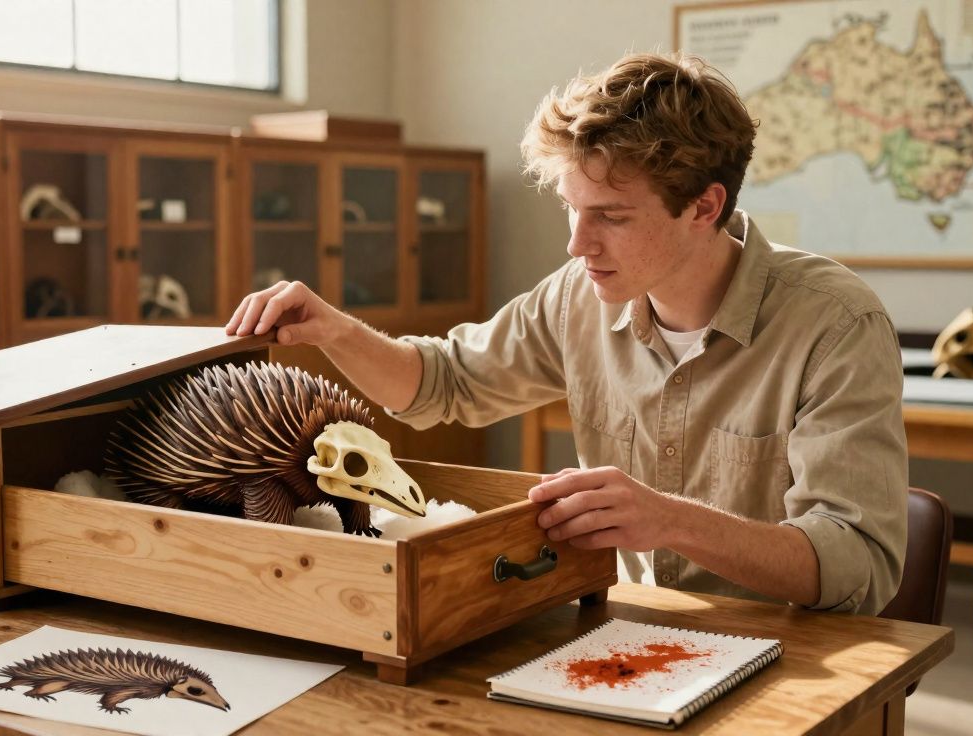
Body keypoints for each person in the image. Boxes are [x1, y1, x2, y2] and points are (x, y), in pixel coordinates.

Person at [225, 52, 906, 615]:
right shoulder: (576, 297)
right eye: (571, 210)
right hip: (631, 635)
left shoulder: (837, 324)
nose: (579, 244)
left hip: (794, 654)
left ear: (704, 207)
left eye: (610, 216)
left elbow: (858, 564)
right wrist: (336, 331)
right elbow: (443, 384)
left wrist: (668, 519)